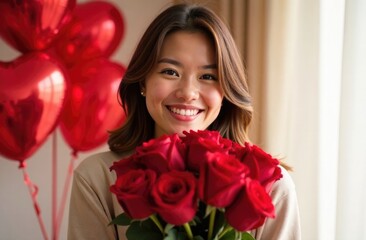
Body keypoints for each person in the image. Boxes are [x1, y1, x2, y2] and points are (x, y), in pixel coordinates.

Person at [67, 3, 301, 240]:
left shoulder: (271, 188)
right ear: (142, 83)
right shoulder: (97, 179)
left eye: (208, 76)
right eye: (170, 72)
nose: (188, 92)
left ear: (226, 93)